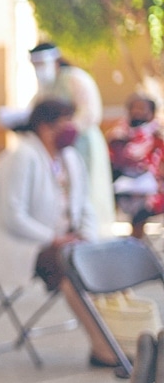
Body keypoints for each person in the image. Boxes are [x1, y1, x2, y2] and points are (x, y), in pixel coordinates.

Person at [0, 98, 121, 369]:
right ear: (45, 127)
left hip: (65, 245)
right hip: (26, 246)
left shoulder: (70, 158)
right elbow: (13, 216)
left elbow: (84, 205)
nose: (72, 128)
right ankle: (104, 348)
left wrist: (87, 237)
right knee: (72, 268)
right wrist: (53, 238)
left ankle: (116, 341)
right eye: (65, 122)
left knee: (98, 258)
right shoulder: (21, 157)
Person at [29, 42, 116, 237]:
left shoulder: (76, 79)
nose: (40, 70)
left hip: (82, 143)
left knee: (88, 189)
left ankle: (91, 235)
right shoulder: (46, 86)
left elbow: (90, 111)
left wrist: (69, 129)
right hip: (57, 147)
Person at [106, 92, 164, 240]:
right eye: (135, 108)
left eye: (142, 108)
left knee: (145, 205)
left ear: (151, 112)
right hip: (121, 183)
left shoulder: (158, 136)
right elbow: (113, 159)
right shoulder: (118, 135)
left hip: (152, 187)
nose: (138, 112)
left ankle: (137, 241)